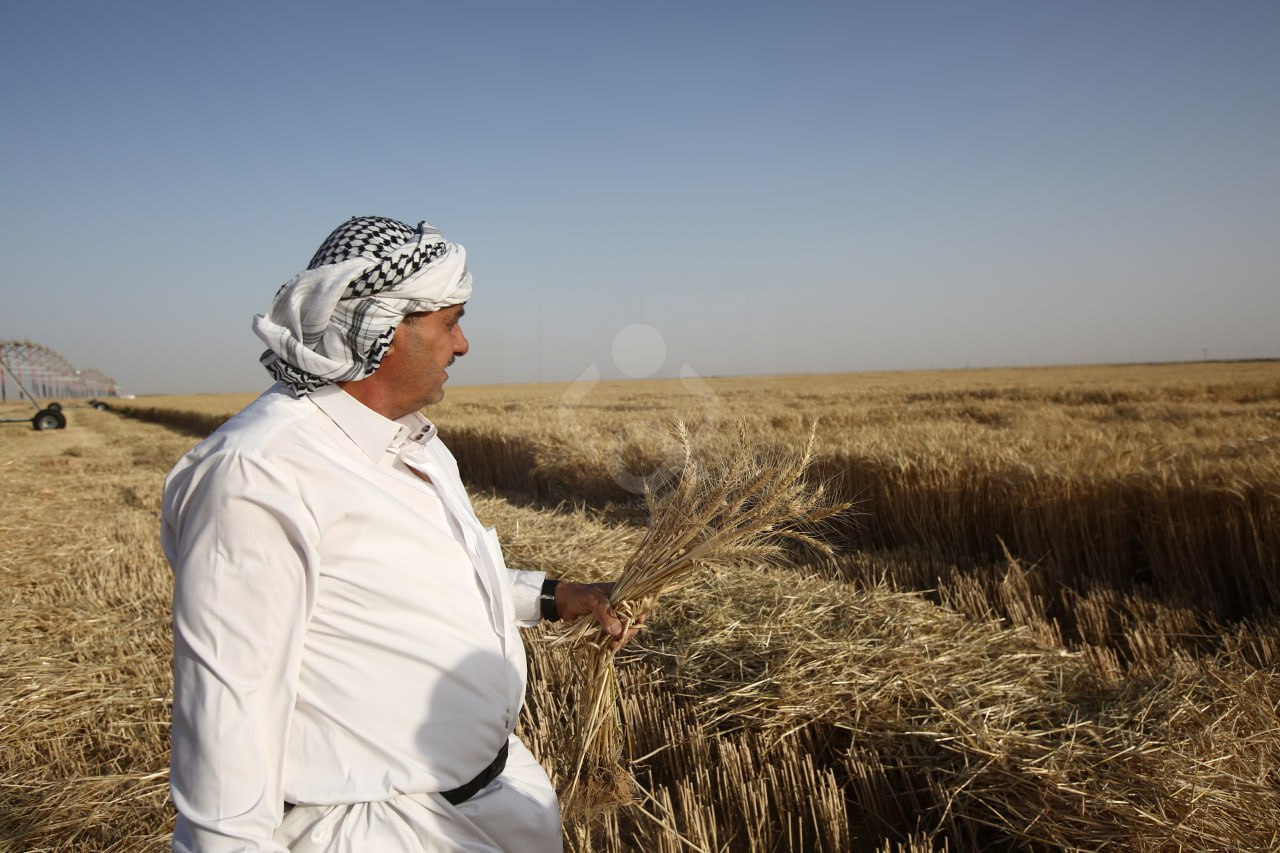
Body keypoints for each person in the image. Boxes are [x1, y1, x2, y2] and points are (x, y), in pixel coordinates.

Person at [161, 216, 631, 852]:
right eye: (449, 321)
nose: (461, 345)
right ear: (380, 329)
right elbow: (227, 719)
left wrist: (555, 596)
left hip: (490, 800)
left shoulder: (411, 441)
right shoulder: (259, 474)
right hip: (382, 829)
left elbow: (419, 583)